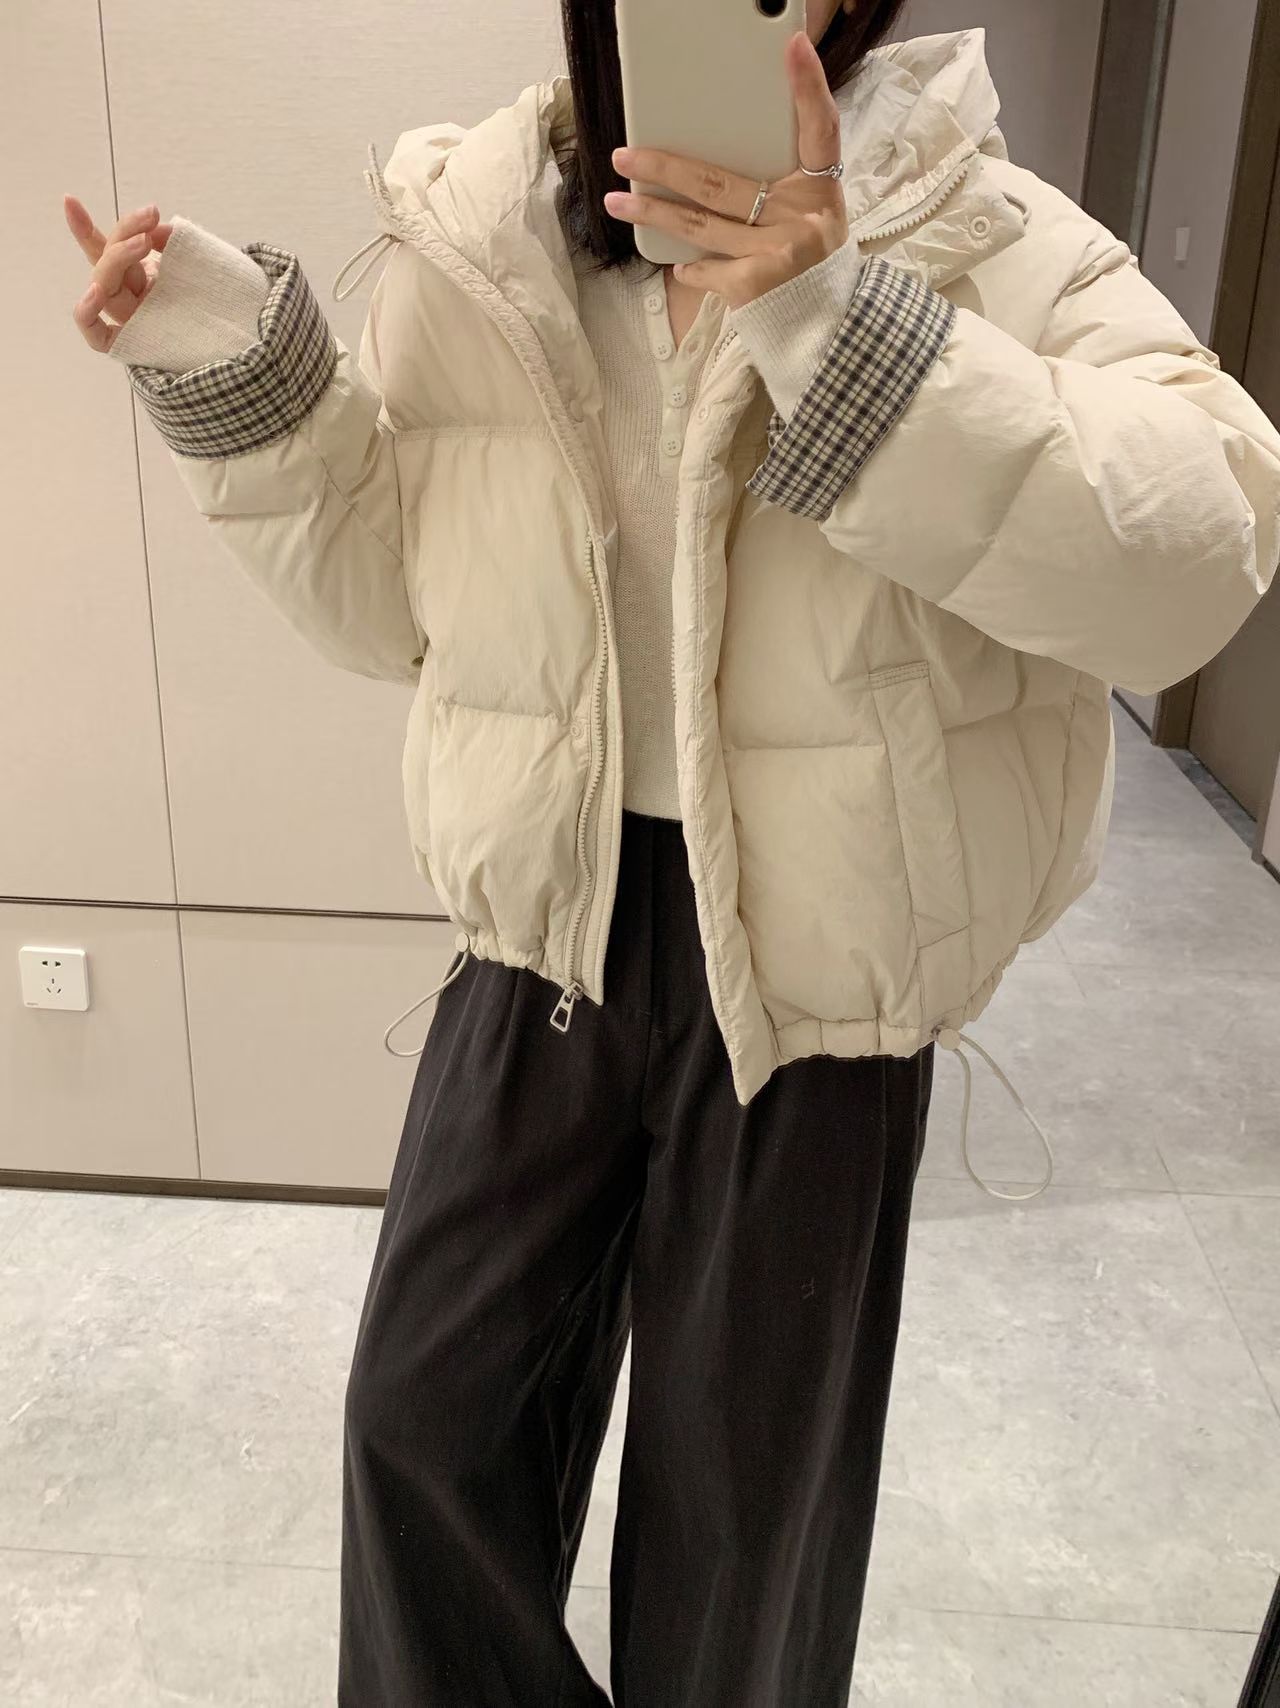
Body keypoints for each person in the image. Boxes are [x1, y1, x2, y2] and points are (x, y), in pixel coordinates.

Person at [65, 2, 1280, 1703]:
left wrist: (843, 328)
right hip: (541, 932)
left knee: (742, 1528)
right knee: (421, 1437)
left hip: (814, 965)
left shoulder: (979, 225)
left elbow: (1198, 557)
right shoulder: (478, 229)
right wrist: (236, 365)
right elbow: (399, 607)